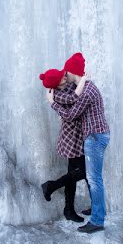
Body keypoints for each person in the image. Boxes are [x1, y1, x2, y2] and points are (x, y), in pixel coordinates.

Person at [50, 52, 110, 234]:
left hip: (95, 137)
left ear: (72, 72)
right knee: (92, 178)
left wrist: (52, 102)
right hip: (94, 136)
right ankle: (95, 209)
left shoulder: (87, 91)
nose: (64, 75)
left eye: (66, 71)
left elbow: (69, 115)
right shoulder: (84, 87)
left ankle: (97, 221)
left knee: (94, 179)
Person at [39, 68, 88, 222]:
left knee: (73, 173)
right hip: (72, 138)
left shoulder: (62, 86)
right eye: (61, 78)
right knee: (84, 172)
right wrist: (84, 80)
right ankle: (51, 186)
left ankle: (68, 209)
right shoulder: (58, 95)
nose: (65, 77)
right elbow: (74, 98)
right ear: (57, 84)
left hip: (77, 135)